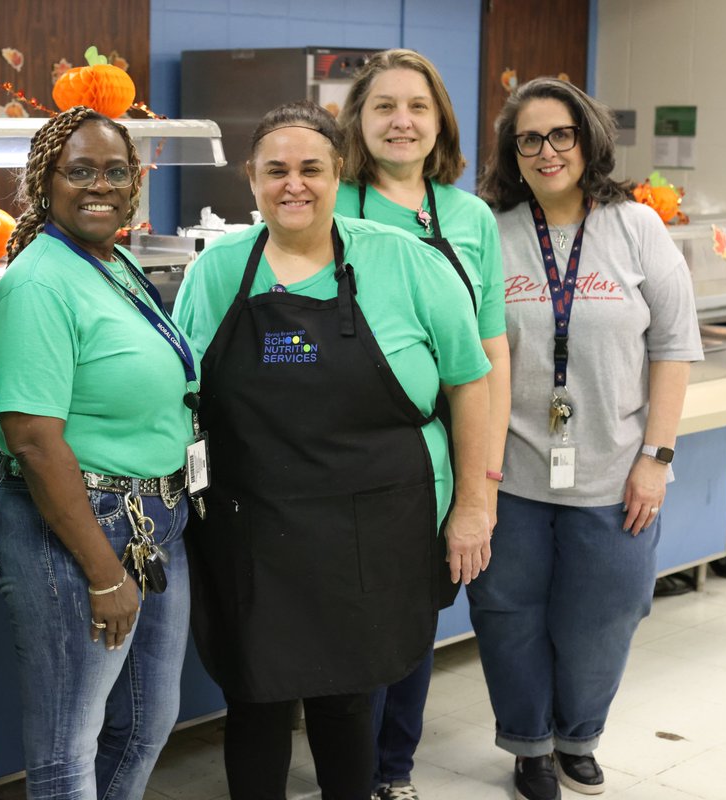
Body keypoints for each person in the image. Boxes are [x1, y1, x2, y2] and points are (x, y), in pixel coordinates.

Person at [172, 100, 492, 800]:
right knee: (253, 701)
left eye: (312, 168)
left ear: (338, 172)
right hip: (249, 531)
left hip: (369, 531)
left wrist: (474, 504)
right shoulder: (218, 270)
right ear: (249, 180)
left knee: (347, 701)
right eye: (276, 170)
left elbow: (471, 384)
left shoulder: (407, 262)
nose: (295, 184)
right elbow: (182, 395)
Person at [470, 78, 702, 800]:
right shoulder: (490, 230)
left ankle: (579, 737)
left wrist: (655, 459)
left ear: (587, 138)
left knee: (606, 615)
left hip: (615, 473)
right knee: (508, 617)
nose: (546, 152)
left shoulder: (636, 227)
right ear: (512, 151)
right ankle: (529, 746)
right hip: (510, 474)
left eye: (560, 134)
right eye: (529, 139)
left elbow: (672, 346)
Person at [0, 107, 196, 800]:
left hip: (155, 517)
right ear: (46, 183)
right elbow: (35, 443)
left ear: (136, 183)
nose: (98, 186)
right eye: (79, 171)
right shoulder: (38, 283)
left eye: (114, 172)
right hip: (80, 529)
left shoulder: (114, 260)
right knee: (67, 741)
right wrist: (104, 575)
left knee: (145, 722)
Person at [334, 49, 510, 800]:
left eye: (417, 106)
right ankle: (349, 772)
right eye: (383, 107)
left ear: (439, 120)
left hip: (444, 448)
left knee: (415, 624)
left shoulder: (469, 216)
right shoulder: (328, 201)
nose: (401, 121)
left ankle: (393, 771)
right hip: (346, 451)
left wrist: (482, 489)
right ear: (359, 122)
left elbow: (492, 352)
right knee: (352, 627)